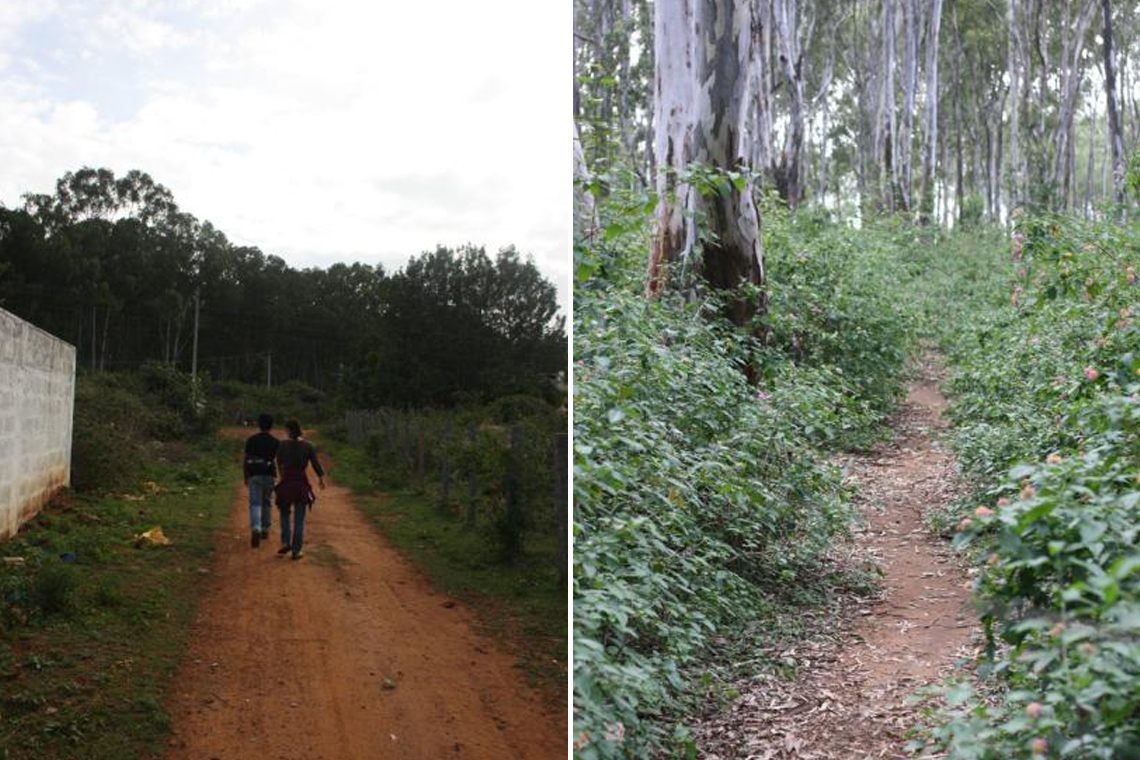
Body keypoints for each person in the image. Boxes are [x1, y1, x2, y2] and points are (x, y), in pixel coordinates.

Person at [274, 419, 325, 560]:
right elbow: (315, 463)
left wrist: (281, 476)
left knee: (284, 513)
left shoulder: (282, 445)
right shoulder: (307, 445)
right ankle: (296, 551)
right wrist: (321, 478)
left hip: (287, 481)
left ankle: (286, 541)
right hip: (301, 482)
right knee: (299, 519)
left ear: (288, 430)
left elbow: (279, 462)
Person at [243, 413, 280, 548]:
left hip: (254, 475)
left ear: (259, 425)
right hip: (269, 475)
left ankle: (256, 528)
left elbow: (246, 459)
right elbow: (279, 462)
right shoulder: (276, 442)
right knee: (266, 502)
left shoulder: (251, 440)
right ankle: (265, 529)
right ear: (271, 426)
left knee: (255, 503)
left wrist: (245, 476)